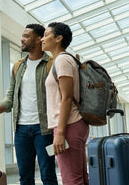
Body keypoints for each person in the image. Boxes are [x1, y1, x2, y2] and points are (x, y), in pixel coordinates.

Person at [0, 24, 58, 185]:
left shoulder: (51, 64)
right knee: (25, 176)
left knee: (48, 174)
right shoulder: (18, 66)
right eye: (22, 36)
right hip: (21, 130)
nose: (22, 39)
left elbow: (59, 96)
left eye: (26, 36)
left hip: (44, 129)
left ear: (39, 39)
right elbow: (10, 96)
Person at [41, 22, 89, 185]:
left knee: (71, 180)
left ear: (58, 38)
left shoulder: (62, 60)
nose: (42, 39)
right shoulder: (66, 60)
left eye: (46, 34)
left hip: (68, 125)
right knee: (80, 178)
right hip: (74, 124)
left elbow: (67, 98)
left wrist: (60, 133)